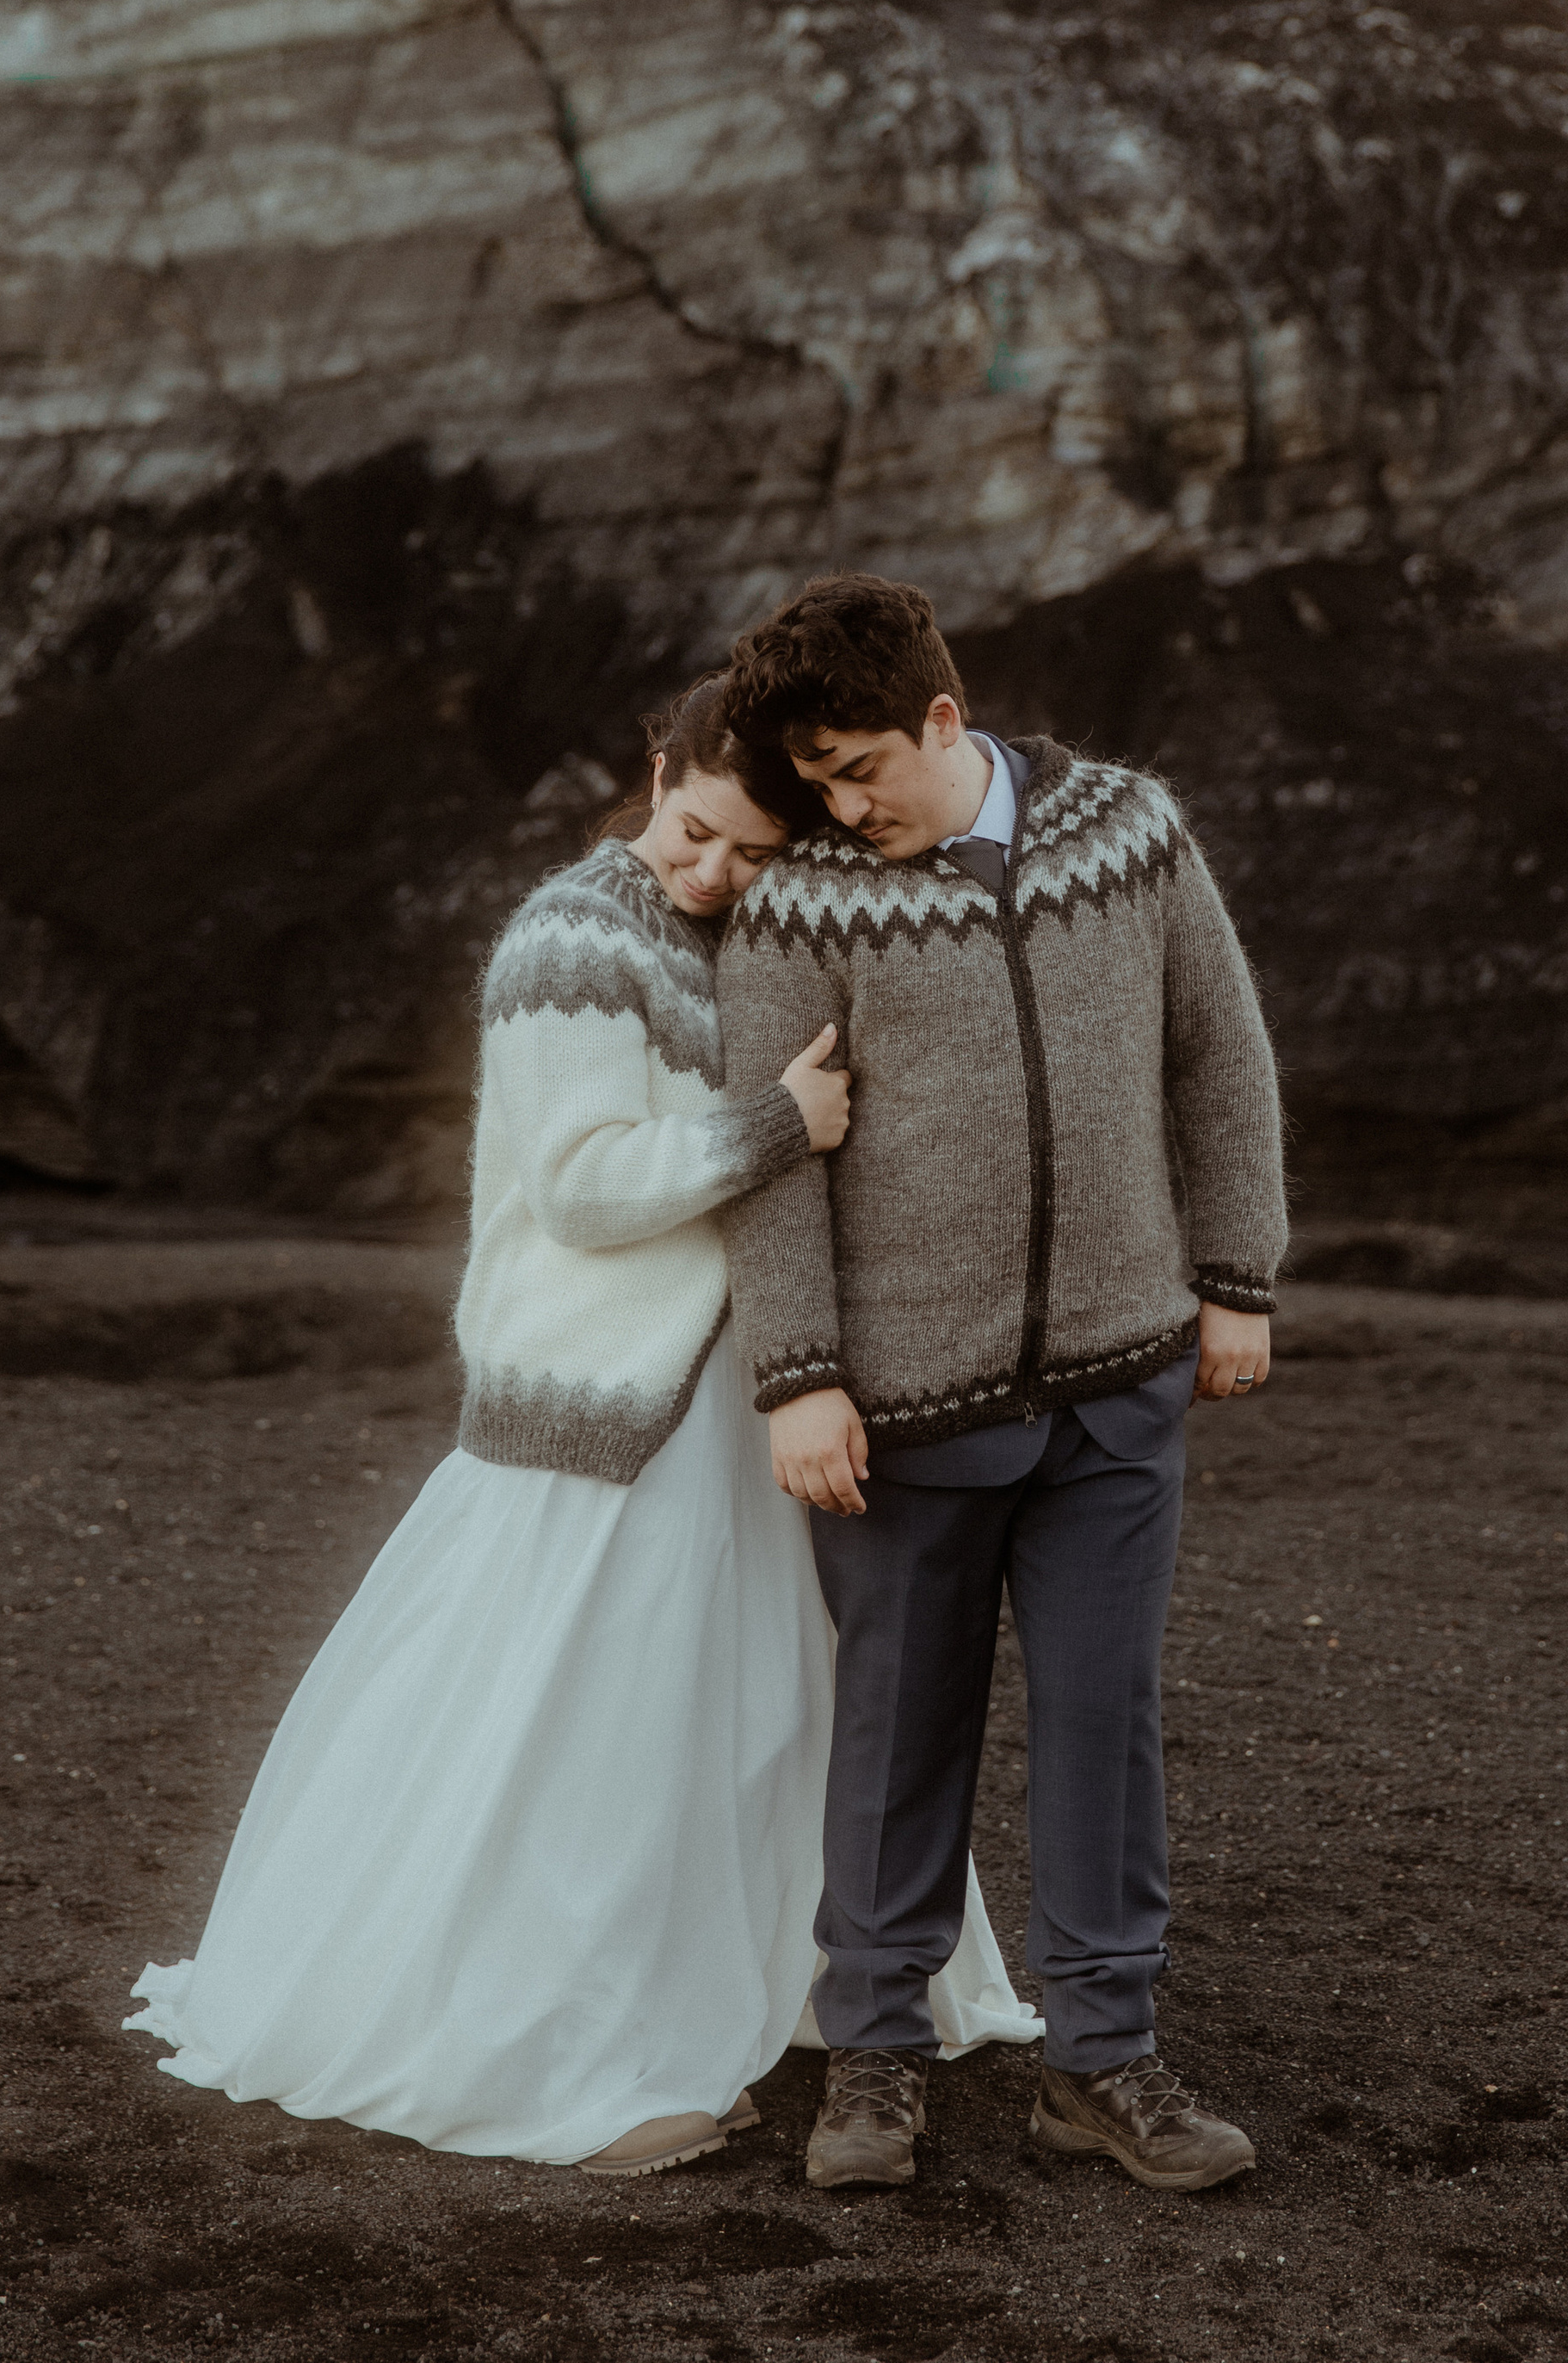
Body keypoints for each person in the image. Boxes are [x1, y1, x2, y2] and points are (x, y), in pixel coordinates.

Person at [126, 674, 1038, 2175]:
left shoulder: (754, 926)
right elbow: (580, 1187)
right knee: (593, 1731)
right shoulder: (573, 938)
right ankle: (561, 2035)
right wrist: (773, 1126)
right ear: (654, 772)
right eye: (693, 830)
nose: (710, 872)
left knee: (749, 1719)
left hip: (733, 1397)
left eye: (750, 851)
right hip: (602, 1401)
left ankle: (794, 1979)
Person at [715, 574, 1287, 2194]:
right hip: (900, 1409)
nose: (836, 804)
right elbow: (775, 1165)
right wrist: (801, 1377)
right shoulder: (799, 906)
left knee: (1109, 1725)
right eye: (813, 778)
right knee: (898, 1731)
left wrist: (1235, 1279)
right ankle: (877, 2054)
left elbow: (1218, 1053)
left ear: (942, 720)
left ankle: (1103, 2062)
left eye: (855, 765)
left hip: (1124, 1380)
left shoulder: (1133, 831)